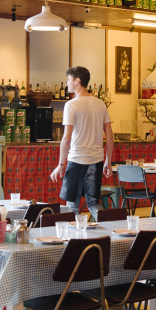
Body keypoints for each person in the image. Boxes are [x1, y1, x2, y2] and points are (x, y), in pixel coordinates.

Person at [49, 66, 113, 220]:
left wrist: (60, 164)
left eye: (69, 80)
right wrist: (108, 161)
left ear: (77, 81)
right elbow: (110, 136)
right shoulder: (101, 104)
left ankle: (77, 234)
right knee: (93, 203)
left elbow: (66, 138)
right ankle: (107, 229)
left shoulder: (71, 105)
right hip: (96, 160)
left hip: (77, 159)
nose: (67, 83)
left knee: (72, 205)